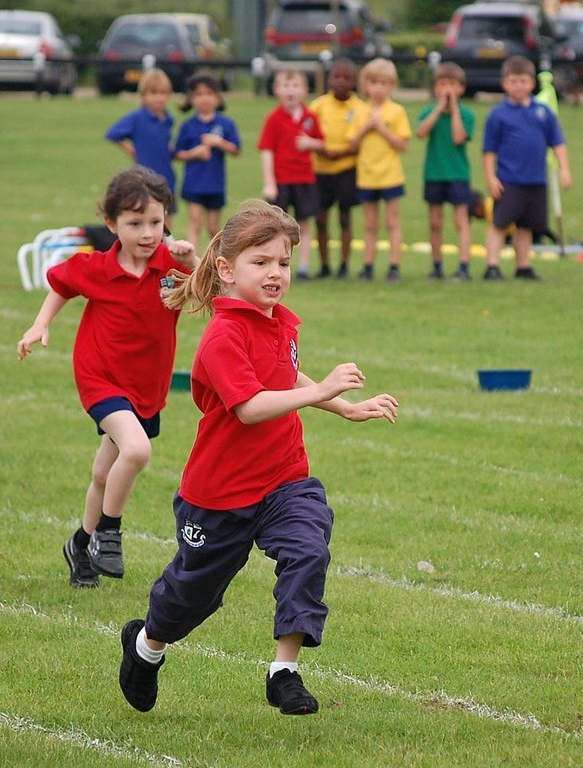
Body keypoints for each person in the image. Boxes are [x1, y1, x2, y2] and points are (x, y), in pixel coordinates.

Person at [116, 200, 399, 716]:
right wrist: (323, 393)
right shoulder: (222, 336)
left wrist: (346, 408)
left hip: (284, 479)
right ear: (226, 269)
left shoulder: (277, 323)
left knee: (308, 548)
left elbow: (287, 376)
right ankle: (147, 645)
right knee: (192, 597)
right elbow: (249, 408)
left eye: (283, 263)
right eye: (261, 262)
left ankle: (284, 671)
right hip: (218, 495)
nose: (275, 274)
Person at [17, 167, 199, 588]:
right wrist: (39, 324)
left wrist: (195, 261)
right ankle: (109, 533)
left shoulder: (172, 266)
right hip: (101, 378)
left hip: (146, 386)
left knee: (105, 471)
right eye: (135, 224)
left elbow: (216, 293)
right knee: (135, 451)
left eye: (156, 222)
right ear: (112, 224)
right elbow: (62, 285)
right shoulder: (95, 267)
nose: (148, 232)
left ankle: (80, 545)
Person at [482, 55, 572, 281]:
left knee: (527, 226)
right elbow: (489, 150)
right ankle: (492, 265)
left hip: (536, 179)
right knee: (500, 223)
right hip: (509, 179)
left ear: (532, 83)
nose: (518, 86)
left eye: (523, 81)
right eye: (513, 81)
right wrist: (491, 177)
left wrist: (564, 169)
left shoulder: (542, 112)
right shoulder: (498, 115)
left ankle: (523, 265)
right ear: (505, 84)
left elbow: (557, 142)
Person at [258, 68, 325, 280]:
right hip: (282, 180)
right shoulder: (274, 119)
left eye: (295, 86)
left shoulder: (310, 117)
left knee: (304, 223)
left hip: (304, 179)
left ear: (305, 90)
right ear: (276, 90)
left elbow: (322, 142)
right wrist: (269, 182)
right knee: (275, 226)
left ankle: (303, 266)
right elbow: (267, 151)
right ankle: (274, 264)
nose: (291, 91)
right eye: (285, 86)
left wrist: (311, 143)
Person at [350, 58, 411, 283]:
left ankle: (394, 266)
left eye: (384, 83)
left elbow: (402, 144)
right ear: (366, 84)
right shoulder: (359, 111)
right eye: (374, 83)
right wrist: (365, 128)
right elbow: (352, 145)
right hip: (367, 175)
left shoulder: (396, 111)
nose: (378, 88)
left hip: (390, 175)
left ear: (391, 85)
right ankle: (368, 266)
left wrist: (382, 129)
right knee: (370, 224)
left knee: (393, 222)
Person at [414, 62, 475, 281]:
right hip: (434, 174)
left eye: (452, 84)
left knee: (461, 221)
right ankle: (437, 265)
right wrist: (439, 109)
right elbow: (420, 133)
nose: (447, 89)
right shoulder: (429, 111)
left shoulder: (466, 114)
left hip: (458, 174)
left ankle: (464, 266)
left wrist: (454, 109)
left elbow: (459, 137)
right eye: (442, 84)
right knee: (435, 222)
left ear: (461, 88)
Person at [174, 72, 242, 252]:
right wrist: (193, 153)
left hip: (215, 184)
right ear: (192, 98)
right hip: (193, 183)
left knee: (213, 228)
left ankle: (217, 264)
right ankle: (191, 267)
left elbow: (236, 150)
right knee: (195, 224)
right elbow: (177, 153)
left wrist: (219, 143)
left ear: (218, 97)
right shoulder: (188, 125)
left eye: (209, 94)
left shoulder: (225, 124)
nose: (205, 99)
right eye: (199, 94)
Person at [309, 58, 364, 278]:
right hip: (321, 170)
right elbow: (308, 132)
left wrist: (336, 153)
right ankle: (324, 264)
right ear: (329, 79)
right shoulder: (319, 105)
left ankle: (344, 264)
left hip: (346, 169)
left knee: (345, 217)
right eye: (336, 77)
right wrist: (323, 151)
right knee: (320, 219)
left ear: (354, 81)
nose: (341, 82)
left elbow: (358, 142)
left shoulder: (360, 108)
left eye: (346, 78)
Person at [105, 69, 177, 229]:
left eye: (163, 93)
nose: (158, 98)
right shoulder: (137, 118)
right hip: (145, 178)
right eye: (153, 93)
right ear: (143, 95)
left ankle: (164, 253)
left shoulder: (168, 119)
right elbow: (113, 133)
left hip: (166, 177)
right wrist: (131, 149)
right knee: (147, 218)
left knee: (167, 222)